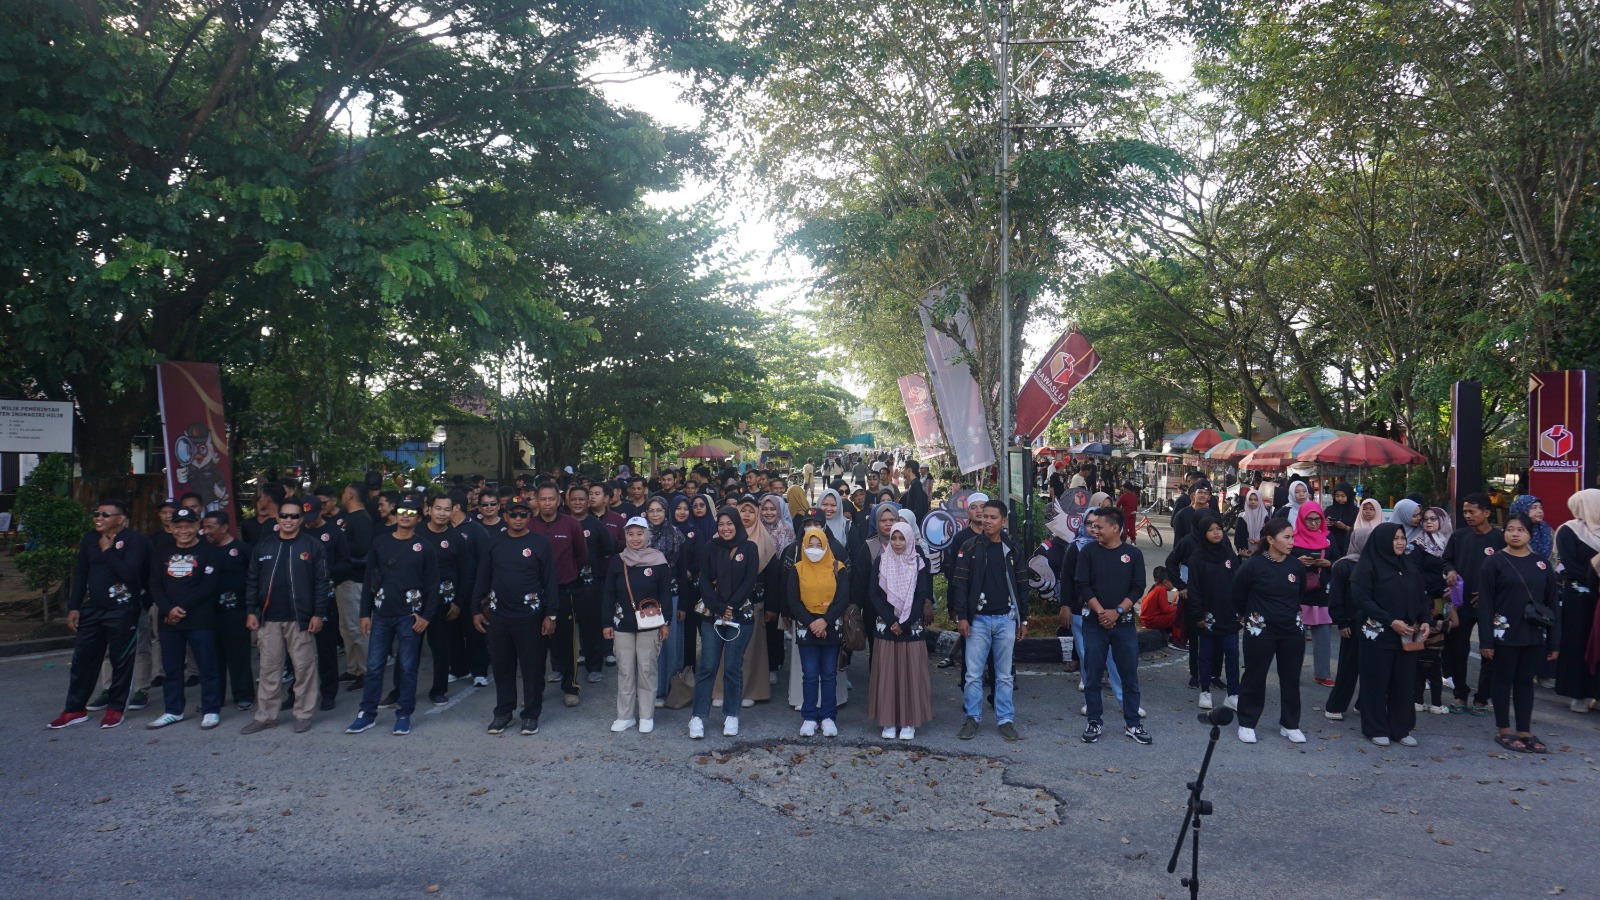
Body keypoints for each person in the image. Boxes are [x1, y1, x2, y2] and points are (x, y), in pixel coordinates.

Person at [48, 500, 151, 730]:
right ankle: (74, 709)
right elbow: (82, 573)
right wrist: (74, 607)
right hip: (93, 609)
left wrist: (108, 550)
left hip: (122, 609)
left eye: (105, 514)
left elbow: (130, 574)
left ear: (121, 518)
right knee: (83, 659)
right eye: (96, 513)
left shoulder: (135, 541)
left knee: (121, 660)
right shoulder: (89, 539)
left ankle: (115, 708)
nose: (99, 517)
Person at [347, 494, 438, 736]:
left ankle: (404, 713)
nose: (405, 516)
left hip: (410, 617)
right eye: (401, 511)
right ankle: (366, 714)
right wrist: (364, 613)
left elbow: (432, 586)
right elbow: (369, 579)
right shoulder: (380, 542)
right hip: (382, 615)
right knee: (375, 666)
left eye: (411, 512)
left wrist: (426, 616)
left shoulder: (425, 548)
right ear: (394, 513)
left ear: (419, 517)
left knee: (408, 667)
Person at [240, 499, 332, 735]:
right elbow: (251, 580)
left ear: (301, 519)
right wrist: (251, 610)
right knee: (269, 670)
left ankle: (303, 714)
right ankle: (266, 716)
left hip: (300, 619)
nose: (289, 520)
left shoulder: (312, 546)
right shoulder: (264, 546)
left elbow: (322, 583)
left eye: (294, 516)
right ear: (277, 519)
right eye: (284, 516)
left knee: (304, 669)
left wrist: (318, 613)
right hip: (268, 618)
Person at [473, 495, 560, 736]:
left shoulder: (540, 543)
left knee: (532, 669)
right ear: (505, 517)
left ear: (529, 518)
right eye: (514, 514)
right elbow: (482, 577)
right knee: (502, 667)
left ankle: (531, 715)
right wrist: (475, 611)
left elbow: (550, 582)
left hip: (530, 617)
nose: (518, 518)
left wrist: (551, 615)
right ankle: (503, 712)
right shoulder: (494, 543)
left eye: (523, 514)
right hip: (499, 616)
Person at [1478, 513, 1561, 753]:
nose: (1515, 533)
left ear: (1529, 534)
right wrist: (1486, 639)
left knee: (1525, 681)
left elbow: (1552, 604)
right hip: (1502, 632)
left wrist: (1554, 641)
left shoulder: (1542, 565)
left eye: (1521, 530)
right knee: (1503, 678)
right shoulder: (1494, 562)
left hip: (1534, 634)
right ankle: (1504, 729)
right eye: (1510, 529)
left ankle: (1524, 730)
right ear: (1504, 532)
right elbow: (1485, 604)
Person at [949, 500, 1030, 741]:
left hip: (1006, 619)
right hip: (978, 622)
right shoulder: (969, 547)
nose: (987, 521)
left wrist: (1023, 620)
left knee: (1004, 675)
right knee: (972, 674)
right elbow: (960, 585)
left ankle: (1005, 720)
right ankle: (972, 718)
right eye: (984, 516)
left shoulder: (1012, 549)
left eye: (993, 517)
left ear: (1003, 521)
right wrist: (962, 617)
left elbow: (1023, 586)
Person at [1074, 507, 1153, 745]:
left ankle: (1133, 723)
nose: (1094, 530)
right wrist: (1101, 612)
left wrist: (1118, 611)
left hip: (1125, 625)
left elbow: (1138, 586)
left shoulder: (1132, 554)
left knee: (1129, 674)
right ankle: (1094, 721)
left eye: (1099, 526)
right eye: (1092, 526)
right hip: (1094, 623)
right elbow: (1082, 585)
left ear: (1115, 528)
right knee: (1093, 674)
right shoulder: (1088, 552)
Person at [144, 507, 224, 730]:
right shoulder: (162, 551)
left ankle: (210, 710)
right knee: (172, 668)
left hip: (199, 618)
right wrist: (168, 609)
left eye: (188, 526)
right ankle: (173, 710)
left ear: (197, 526)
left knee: (207, 666)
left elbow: (208, 586)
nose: (184, 531)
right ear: (171, 528)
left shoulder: (209, 551)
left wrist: (181, 608)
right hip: (169, 620)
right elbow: (155, 584)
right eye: (178, 527)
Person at [1351, 522, 1429, 747]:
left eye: (1402, 537)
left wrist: (1425, 620)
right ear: (1382, 540)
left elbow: (1421, 595)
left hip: (1408, 633)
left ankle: (1401, 728)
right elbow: (1361, 599)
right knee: (1376, 681)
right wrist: (1390, 621)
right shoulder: (1367, 566)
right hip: (1378, 633)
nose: (1401, 542)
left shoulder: (1409, 565)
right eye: (1395, 538)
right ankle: (1376, 728)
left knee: (1404, 682)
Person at [1231, 518, 1309, 744]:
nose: (1291, 542)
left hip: (1291, 632)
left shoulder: (1295, 566)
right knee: (1255, 677)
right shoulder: (1253, 565)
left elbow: (1300, 593)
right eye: (1286, 537)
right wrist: (1249, 616)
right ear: (1270, 539)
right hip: (1260, 631)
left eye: (1292, 537)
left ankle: (1290, 723)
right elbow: (1237, 594)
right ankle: (1247, 723)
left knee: (1291, 678)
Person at [690, 507, 759, 739]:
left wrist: (732, 606)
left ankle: (731, 714)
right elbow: (705, 580)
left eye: (730, 523)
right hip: (713, 615)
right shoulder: (710, 548)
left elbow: (750, 580)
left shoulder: (750, 548)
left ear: (737, 524)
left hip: (741, 616)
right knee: (708, 666)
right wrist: (720, 607)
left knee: (732, 667)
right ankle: (698, 716)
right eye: (721, 524)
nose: (726, 528)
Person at [604, 517, 672, 733]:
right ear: (625, 536)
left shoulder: (658, 560)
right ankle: (625, 716)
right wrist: (606, 622)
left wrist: (665, 623)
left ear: (647, 535)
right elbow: (608, 594)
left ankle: (646, 715)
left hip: (650, 624)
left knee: (646, 668)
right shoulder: (618, 561)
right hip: (622, 623)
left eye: (640, 533)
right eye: (631, 534)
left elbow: (665, 594)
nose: (635, 538)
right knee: (625, 670)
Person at [869, 521, 933, 740]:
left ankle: (908, 722)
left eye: (902, 538)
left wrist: (904, 622)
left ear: (909, 539)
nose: (897, 543)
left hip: (910, 627)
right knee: (887, 674)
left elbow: (921, 594)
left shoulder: (918, 562)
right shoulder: (882, 559)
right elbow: (874, 594)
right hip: (887, 627)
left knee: (910, 675)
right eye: (894, 538)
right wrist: (891, 620)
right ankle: (888, 721)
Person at [1441, 493, 1505, 715]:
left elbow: (1508, 572)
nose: (1467, 515)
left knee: (1490, 651)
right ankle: (1460, 694)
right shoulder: (1459, 537)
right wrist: (1450, 571)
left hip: (1492, 607)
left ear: (1486, 512)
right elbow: (1446, 560)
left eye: (1472, 511)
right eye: (1465, 511)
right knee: (1458, 650)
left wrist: (1492, 594)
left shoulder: (1500, 539)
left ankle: (1482, 698)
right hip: (1461, 604)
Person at [527, 482, 588, 707]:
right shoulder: (530, 525)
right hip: (535, 593)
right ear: (536, 500)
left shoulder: (571, 524)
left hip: (565, 590)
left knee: (567, 643)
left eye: (551, 499)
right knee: (534, 644)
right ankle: (535, 689)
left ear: (559, 500)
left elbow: (581, 554)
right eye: (542, 499)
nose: (547, 503)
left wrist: (568, 572)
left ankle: (570, 687)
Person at [787, 525, 850, 736]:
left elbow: (842, 598)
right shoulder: (797, 569)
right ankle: (809, 717)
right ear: (803, 546)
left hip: (830, 625)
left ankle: (829, 716)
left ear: (826, 546)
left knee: (829, 674)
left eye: (818, 545)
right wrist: (812, 623)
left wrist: (825, 621)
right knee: (810, 674)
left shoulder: (838, 567)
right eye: (810, 545)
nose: (814, 549)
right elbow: (793, 601)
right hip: (807, 626)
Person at [1176, 513, 1241, 711]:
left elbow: (1239, 583)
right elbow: (1194, 588)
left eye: (1219, 529)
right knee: (1206, 654)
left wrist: (1241, 610)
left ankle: (1233, 693)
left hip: (1229, 613)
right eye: (1211, 530)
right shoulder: (1197, 558)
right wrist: (1198, 615)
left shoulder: (1230, 555)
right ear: (1203, 533)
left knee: (1232, 652)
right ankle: (1205, 690)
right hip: (1207, 615)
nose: (1216, 533)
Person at [417, 492, 476, 705]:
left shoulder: (456, 539)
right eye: (438, 508)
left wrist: (458, 602)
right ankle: (399, 691)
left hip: (444, 603)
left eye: (447, 509)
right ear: (429, 509)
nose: (442, 513)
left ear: (453, 511)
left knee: (441, 648)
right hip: (415, 602)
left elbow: (466, 572)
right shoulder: (417, 532)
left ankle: (439, 689)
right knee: (409, 650)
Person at [299, 495, 349, 712]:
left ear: (322, 512)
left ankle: (328, 692)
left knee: (326, 648)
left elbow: (345, 563)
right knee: (297, 652)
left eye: (312, 517)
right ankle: (296, 694)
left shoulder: (334, 533)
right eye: (305, 517)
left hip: (325, 596)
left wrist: (325, 575)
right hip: (299, 598)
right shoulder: (297, 532)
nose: (308, 522)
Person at [202, 510, 254, 711]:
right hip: (209, 611)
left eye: (210, 527)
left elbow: (253, 578)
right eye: (204, 527)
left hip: (236, 610)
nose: (205, 531)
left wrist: (251, 609)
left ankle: (244, 695)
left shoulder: (242, 549)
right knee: (212, 657)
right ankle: (215, 697)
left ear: (224, 528)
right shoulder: (204, 550)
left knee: (238, 655)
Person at [1554, 490, 1600, 712]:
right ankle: (1579, 694)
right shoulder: (1569, 531)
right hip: (1580, 597)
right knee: (1579, 642)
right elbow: (1571, 567)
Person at [335, 481, 375, 690]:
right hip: (342, 580)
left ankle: (367, 670)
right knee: (346, 628)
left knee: (358, 628)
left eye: (344, 491)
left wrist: (338, 544)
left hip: (355, 580)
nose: (342, 495)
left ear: (350, 494)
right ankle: (354, 668)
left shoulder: (361, 519)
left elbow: (361, 548)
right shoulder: (345, 517)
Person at [1292, 502, 1336, 687]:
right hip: (1300, 593)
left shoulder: (1328, 537)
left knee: (1323, 635)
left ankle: (1322, 673)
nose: (1313, 523)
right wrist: (1297, 561)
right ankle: (1292, 673)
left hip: (1321, 591)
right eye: (1308, 519)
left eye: (1317, 519)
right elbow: (1282, 560)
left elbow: (1338, 561)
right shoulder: (1293, 538)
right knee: (1296, 637)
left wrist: (1328, 564)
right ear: (1302, 519)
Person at [1137, 567, 1182, 650]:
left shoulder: (1156, 588)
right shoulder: (1161, 590)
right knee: (1179, 612)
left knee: (1177, 610)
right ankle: (1176, 640)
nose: (1174, 585)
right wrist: (1178, 607)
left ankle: (1175, 637)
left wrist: (1172, 605)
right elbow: (1165, 609)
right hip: (1150, 621)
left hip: (1149, 619)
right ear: (1165, 582)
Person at [1236, 489, 1270, 556]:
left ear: (1260, 501)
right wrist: (1240, 549)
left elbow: (1269, 536)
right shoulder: (1242, 517)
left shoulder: (1265, 517)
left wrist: (1260, 541)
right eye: (1250, 499)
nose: (1253, 502)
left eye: (1256, 500)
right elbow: (1238, 536)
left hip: (1262, 554)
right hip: (1245, 553)